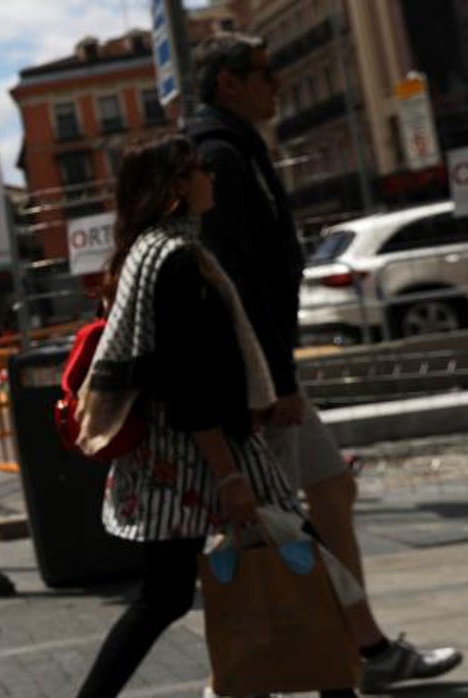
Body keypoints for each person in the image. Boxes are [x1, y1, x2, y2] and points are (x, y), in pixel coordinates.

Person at [187, 32, 462, 693]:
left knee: (332, 488)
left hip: (273, 371)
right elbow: (240, 280)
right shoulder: (219, 155)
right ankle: (251, 673)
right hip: (262, 381)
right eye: (264, 72)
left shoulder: (235, 147)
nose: (277, 84)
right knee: (268, 526)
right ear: (229, 83)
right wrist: (274, 383)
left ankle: (364, 652)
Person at [72, 134, 360, 698]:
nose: (212, 177)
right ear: (178, 185)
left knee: (169, 595)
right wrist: (227, 474)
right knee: (303, 565)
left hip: (171, 455)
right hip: (201, 453)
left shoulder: (148, 250)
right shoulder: (177, 260)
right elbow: (188, 379)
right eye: (201, 169)